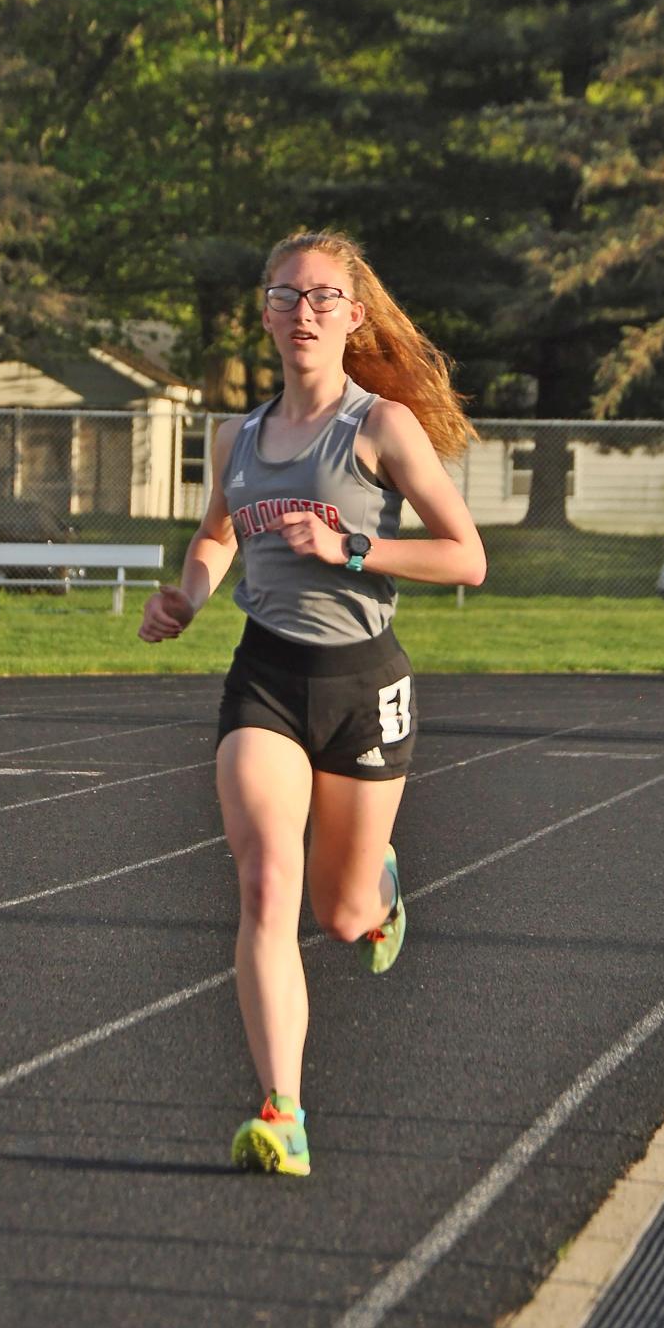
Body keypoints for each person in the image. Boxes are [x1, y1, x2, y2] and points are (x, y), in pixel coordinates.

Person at [138, 230, 486, 1177]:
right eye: (286, 296)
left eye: (324, 298)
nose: (304, 313)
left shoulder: (380, 429)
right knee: (262, 884)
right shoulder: (236, 438)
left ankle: (379, 887)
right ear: (265, 310)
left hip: (364, 687)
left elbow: (468, 556)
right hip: (266, 678)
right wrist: (189, 597)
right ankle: (283, 1111)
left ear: (353, 317)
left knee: (338, 915)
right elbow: (215, 540)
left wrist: (354, 551)